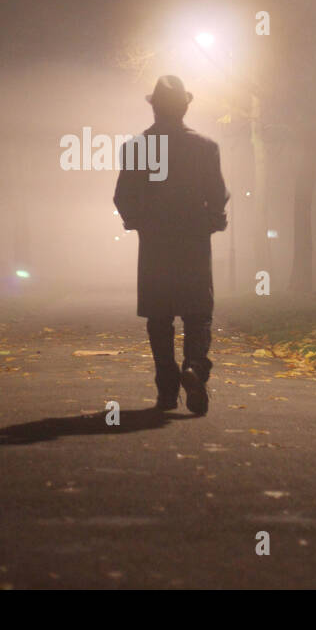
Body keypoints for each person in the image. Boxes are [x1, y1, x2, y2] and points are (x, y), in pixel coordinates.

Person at [114, 75, 229, 415]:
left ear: (154, 107)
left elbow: (123, 196)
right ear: (185, 106)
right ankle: (194, 366)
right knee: (198, 314)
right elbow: (217, 194)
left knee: (159, 317)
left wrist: (136, 221)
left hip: (156, 245)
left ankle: (166, 389)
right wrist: (214, 219)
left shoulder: (137, 147)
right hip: (193, 242)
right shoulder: (205, 147)